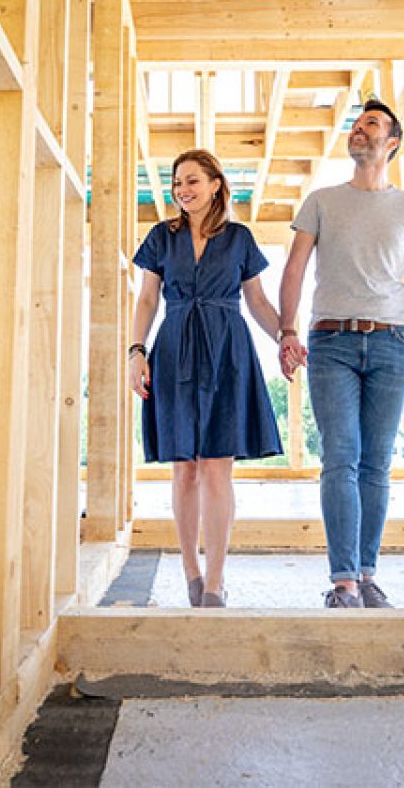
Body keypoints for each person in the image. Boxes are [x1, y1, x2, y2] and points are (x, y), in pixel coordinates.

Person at [278, 100, 404, 609]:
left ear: (392, 142)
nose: (359, 130)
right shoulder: (322, 200)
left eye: (370, 124)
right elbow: (294, 268)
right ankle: (344, 582)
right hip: (331, 342)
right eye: (355, 124)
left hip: (394, 342)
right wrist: (287, 330)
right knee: (341, 457)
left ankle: (367, 575)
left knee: (375, 463)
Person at [130, 149, 284, 608]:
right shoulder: (162, 237)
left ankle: (215, 583)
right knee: (184, 469)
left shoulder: (239, 238)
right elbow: (146, 301)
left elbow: (257, 302)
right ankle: (190, 572)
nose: (183, 190)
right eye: (178, 183)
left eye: (193, 181)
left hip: (227, 350)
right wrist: (136, 351)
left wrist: (286, 337)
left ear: (216, 184)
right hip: (174, 347)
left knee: (217, 468)